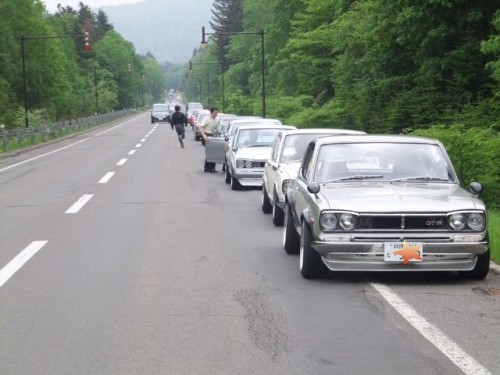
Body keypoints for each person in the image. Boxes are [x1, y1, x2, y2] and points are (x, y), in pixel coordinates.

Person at [199, 107, 219, 172]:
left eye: (216, 113)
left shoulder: (217, 120)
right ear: (211, 113)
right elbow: (201, 127)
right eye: (214, 113)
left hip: (214, 136)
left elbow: (217, 129)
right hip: (207, 136)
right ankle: (210, 167)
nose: (215, 114)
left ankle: (208, 167)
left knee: (213, 152)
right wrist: (204, 135)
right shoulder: (206, 119)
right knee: (210, 152)